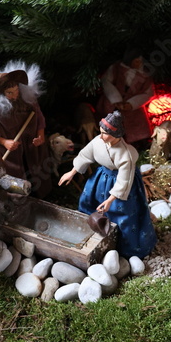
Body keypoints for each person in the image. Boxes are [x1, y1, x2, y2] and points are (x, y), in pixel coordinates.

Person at [58, 110, 157, 259]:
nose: (102, 136)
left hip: (121, 186)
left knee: (124, 214)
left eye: (106, 134)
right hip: (101, 179)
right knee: (90, 203)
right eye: (101, 132)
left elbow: (124, 180)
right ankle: (90, 235)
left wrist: (111, 200)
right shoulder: (99, 141)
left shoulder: (126, 154)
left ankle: (125, 248)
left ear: (116, 135)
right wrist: (73, 172)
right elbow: (86, 154)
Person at [0, 61, 52, 199]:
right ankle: (17, 199)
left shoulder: (27, 102)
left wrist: (40, 135)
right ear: (0, 93)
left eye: (16, 90)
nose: (15, 95)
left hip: (30, 147)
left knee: (35, 166)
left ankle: (41, 194)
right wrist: (4, 142)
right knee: (13, 173)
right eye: (10, 93)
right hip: (10, 152)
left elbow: (39, 118)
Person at [96, 47, 154, 146]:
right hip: (112, 102)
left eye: (140, 61)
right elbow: (106, 81)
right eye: (136, 61)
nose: (138, 63)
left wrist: (132, 103)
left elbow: (148, 93)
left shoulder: (144, 75)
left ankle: (137, 143)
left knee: (136, 123)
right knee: (109, 121)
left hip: (133, 107)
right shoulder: (116, 69)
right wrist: (116, 99)